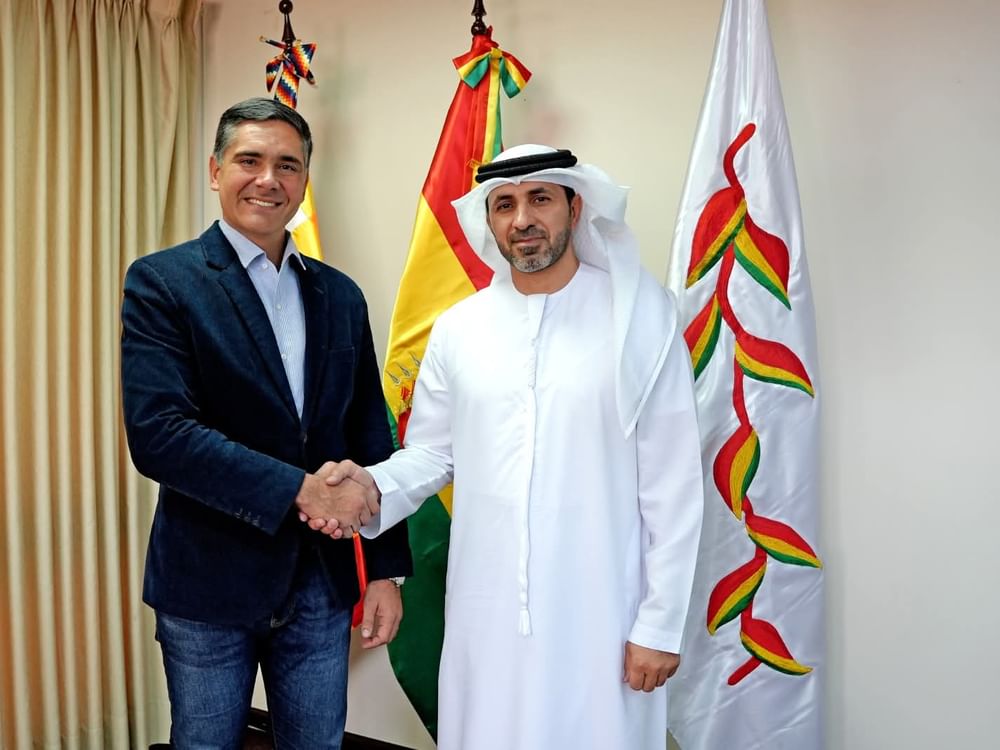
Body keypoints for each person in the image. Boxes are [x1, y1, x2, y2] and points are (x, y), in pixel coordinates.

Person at [315, 145, 705, 749]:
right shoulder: (460, 328)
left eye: (539, 198)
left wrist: (660, 624)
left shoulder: (640, 319)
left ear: (575, 207)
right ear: (489, 220)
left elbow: (673, 484)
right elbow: (433, 453)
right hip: (487, 612)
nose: (522, 219)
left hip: (602, 612)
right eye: (504, 205)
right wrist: (371, 486)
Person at [120, 97, 412, 750]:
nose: (268, 179)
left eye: (287, 165)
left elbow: (370, 434)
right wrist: (302, 490)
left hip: (320, 585)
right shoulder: (163, 283)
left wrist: (385, 569)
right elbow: (160, 435)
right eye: (249, 160)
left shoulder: (341, 294)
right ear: (215, 170)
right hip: (207, 580)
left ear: (305, 179)